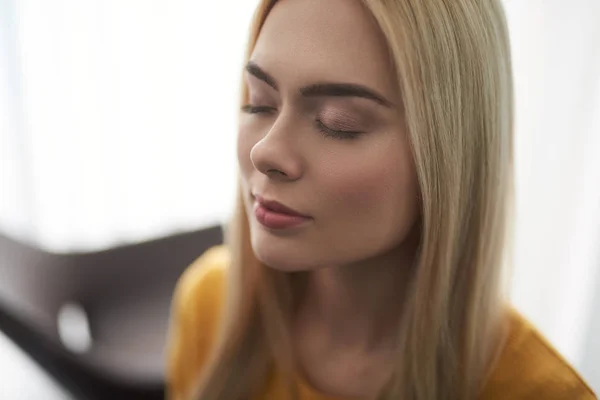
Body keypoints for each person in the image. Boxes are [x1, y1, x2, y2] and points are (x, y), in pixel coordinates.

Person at [166, 0, 597, 399]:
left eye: (339, 123)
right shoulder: (209, 305)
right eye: (260, 103)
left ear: (448, 154)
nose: (265, 152)